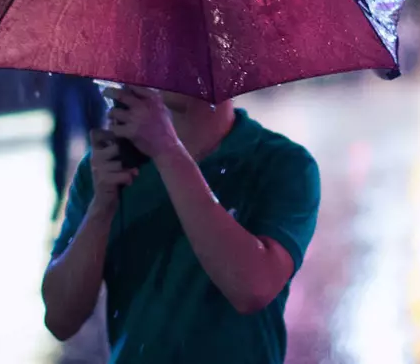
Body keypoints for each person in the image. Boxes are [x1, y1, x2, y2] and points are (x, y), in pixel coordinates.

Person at [42, 85, 320, 363]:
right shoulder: (109, 167)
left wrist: (168, 151)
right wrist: (101, 208)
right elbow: (60, 319)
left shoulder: (281, 163)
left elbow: (252, 288)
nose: (161, 67)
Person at [48, 74, 107, 216]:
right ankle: (67, 198)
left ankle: (94, 193)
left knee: (96, 136)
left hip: (90, 75)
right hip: (70, 74)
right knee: (71, 139)